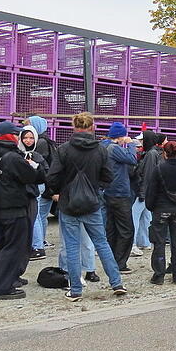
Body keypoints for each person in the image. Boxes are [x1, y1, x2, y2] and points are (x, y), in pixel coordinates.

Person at [46, 112, 127, 301]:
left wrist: (60, 191)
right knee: (102, 243)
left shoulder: (64, 149)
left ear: (74, 127)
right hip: (92, 203)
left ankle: (75, 290)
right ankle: (117, 283)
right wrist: (96, 189)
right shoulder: (100, 150)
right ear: (92, 127)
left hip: (69, 204)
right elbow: (108, 176)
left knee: (72, 247)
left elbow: (52, 176)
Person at [0, 122, 46, 300]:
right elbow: (34, 177)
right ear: (11, 136)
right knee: (13, 247)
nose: (20, 138)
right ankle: (2, 287)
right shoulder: (13, 157)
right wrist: (35, 166)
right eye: (18, 135)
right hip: (15, 206)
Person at [146, 141, 176, 285]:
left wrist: (150, 206)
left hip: (161, 208)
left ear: (164, 153)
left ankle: (159, 275)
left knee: (159, 243)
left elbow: (152, 190)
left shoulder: (159, 169)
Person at [101, 122, 138, 273]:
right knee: (126, 229)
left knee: (111, 228)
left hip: (108, 192)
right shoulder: (114, 148)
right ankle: (120, 263)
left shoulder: (104, 146)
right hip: (119, 193)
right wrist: (131, 145)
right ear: (120, 136)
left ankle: (112, 260)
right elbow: (132, 159)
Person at [25, 116, 57, 256]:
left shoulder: (41, 143)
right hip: (49, 183)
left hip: (43, 183)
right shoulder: (48, 141)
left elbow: (39, 164)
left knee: (37, 215)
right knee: (42, 215)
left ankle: (38, 243)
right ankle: (41, 240)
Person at [132, 131, 160, 255]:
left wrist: (143, 192)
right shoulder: (152, 153)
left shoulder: (150, 154)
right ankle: (144, 241)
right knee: (145, 217)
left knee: (134, 216)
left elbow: (147, 175)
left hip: (144, 191)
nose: (141, 142)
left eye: (143, 140)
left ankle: (132, 244)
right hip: (149, 191)